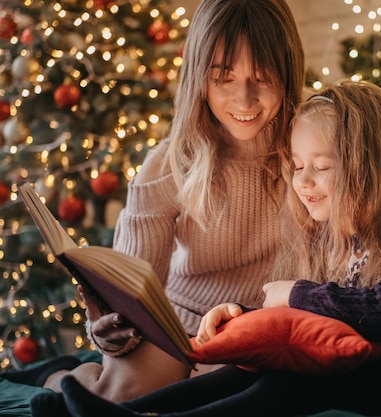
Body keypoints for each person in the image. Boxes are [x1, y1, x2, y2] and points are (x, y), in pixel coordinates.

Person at [36, 81, 381, 417]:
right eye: (298, 167)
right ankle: (128, 411)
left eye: (323, 167)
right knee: (246, 370)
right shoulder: (338, 240)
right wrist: (244, 315)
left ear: (375, 167)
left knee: (282, 386)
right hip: (348, 369)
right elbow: (314, 322)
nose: (303, 182)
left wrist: (294, 293)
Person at [2, 0, 304, 405]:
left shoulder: (309, 149)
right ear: (199, 77)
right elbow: (132, 286)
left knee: (218, 393)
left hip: (254, 326)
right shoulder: (169, 162)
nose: (245, 99)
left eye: (263, 77)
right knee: (121, 395)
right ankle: (59, 378)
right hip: (174, 324)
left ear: (289, 72)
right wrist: (109, 326)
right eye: (224, 78)